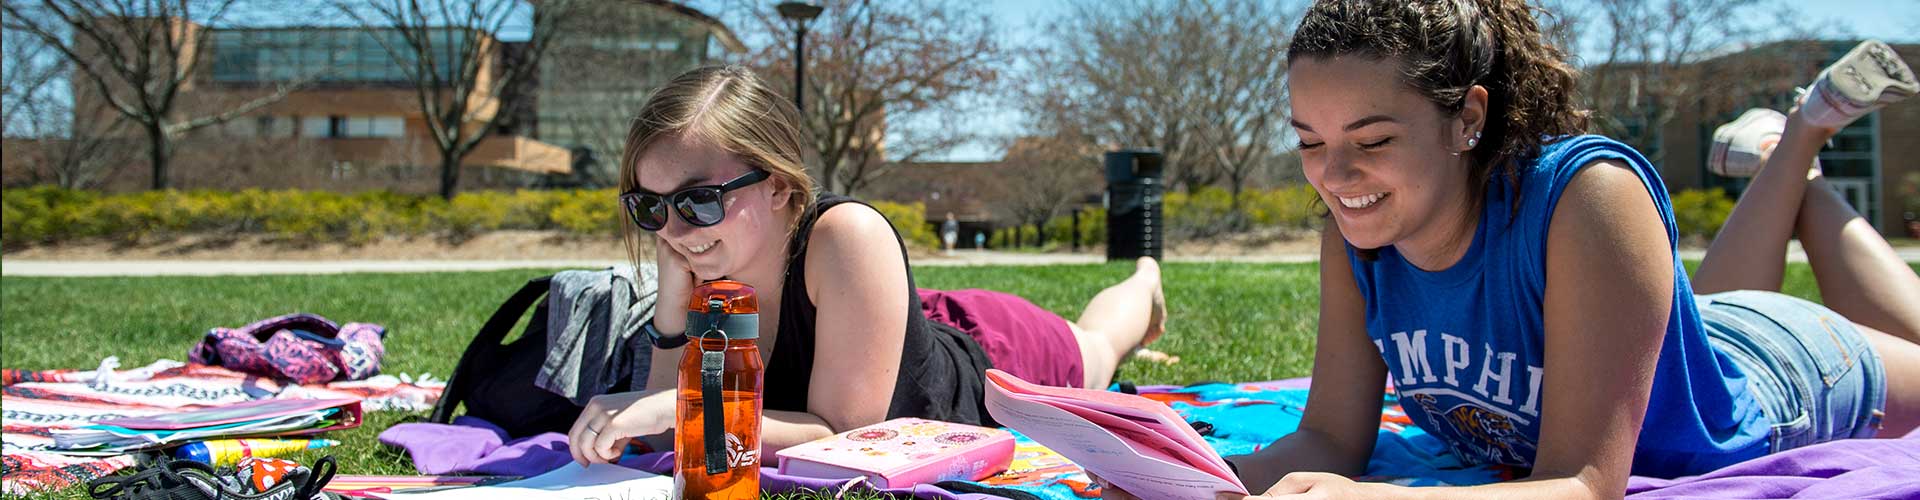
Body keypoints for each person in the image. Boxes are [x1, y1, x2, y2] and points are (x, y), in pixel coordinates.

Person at [1104, 1, 1920, 498]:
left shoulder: (1588, 197)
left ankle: (1800, 140)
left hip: (1799, 376)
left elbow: (1586, 485)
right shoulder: (1356, 234)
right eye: (1310, 142)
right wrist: (1196, 481)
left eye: (1373, 138)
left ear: (1468, 118)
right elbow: (1328, 440)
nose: (1335, 175)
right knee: (1694, 325)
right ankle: (1791, 163)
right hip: (1686, 344)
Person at [566, 65, 1172, 465]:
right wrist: (673, 313)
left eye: (699, 200)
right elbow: (671, 419)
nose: (671, 229)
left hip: (990, 359)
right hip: (887, 325)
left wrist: (683, 408)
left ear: (777, 186)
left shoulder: (847, 235)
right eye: (649, 205)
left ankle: (1145, 279)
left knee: (1095, 347)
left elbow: (842, 435)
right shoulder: (697, 249)